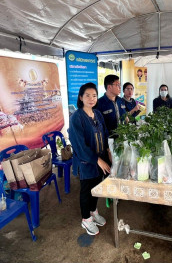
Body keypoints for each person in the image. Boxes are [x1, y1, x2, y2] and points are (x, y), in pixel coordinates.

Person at [69, 82, 111, 236]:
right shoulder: (76, 118)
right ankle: (86, 219)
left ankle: (93, 212)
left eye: (94, 95)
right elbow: (80, 146)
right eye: (87, 95)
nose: (91, 98)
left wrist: (108, 151)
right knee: (87, 191)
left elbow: (105, 134)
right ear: (81, 97)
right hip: (86, 163)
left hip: (100, 159)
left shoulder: (98, 114)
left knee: (96, 188)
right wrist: (98, 160)